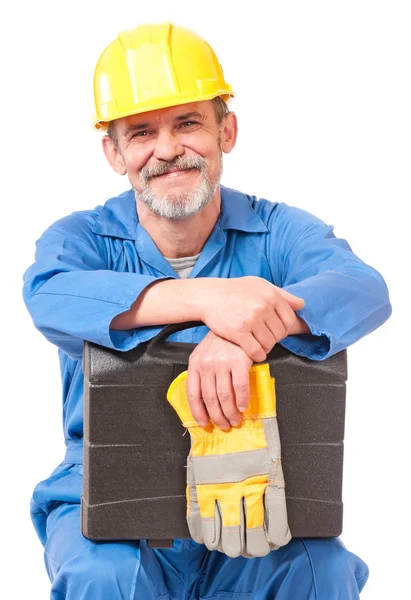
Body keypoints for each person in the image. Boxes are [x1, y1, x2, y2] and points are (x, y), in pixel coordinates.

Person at [23, 22, 392, 600]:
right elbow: (48, 293)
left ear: (227, 130)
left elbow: (363, 289)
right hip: (109, 496)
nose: (167, 149)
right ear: (114, 152)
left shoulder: (279, 231)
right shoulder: (82, 238)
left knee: (323, 570)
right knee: (106, 579)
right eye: (141, 132)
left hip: (258, 486)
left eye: (188, 123)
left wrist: (243, 337)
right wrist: (207, 301)